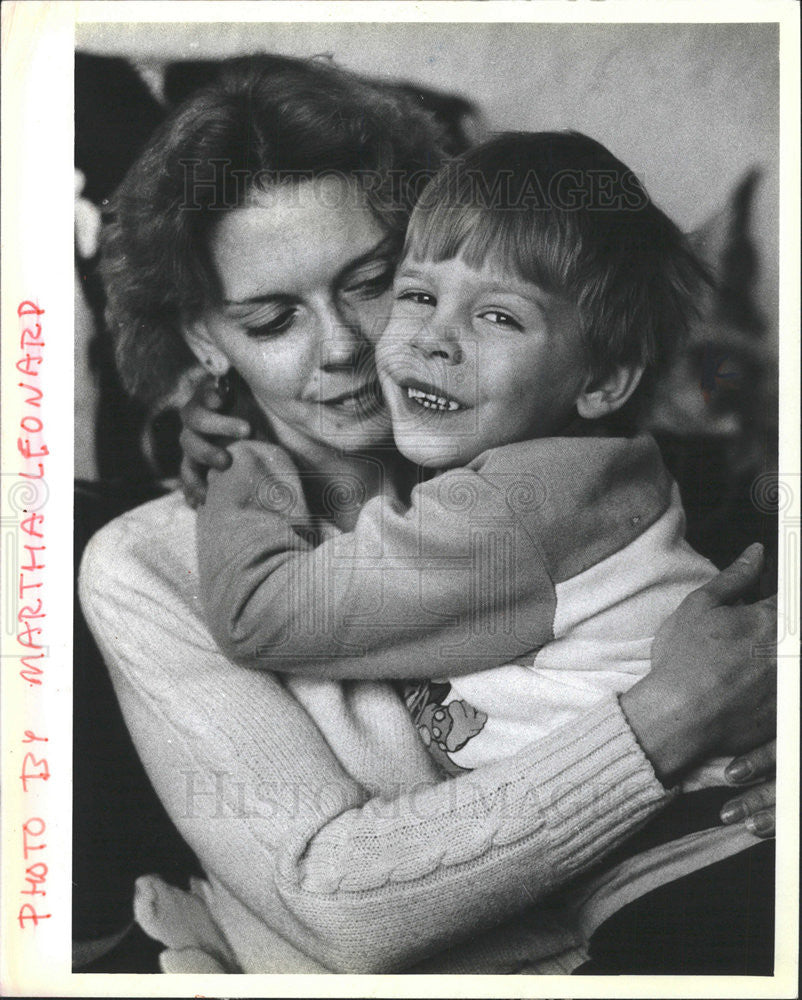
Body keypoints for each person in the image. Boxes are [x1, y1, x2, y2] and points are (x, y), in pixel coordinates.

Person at [80, 55, 777, 974]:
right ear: (205, 340)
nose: (343, 351)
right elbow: (342, 906)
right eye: (272, 320)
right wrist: (669, 719)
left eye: (372, 282)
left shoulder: (534, 448)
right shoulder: (150, 566)